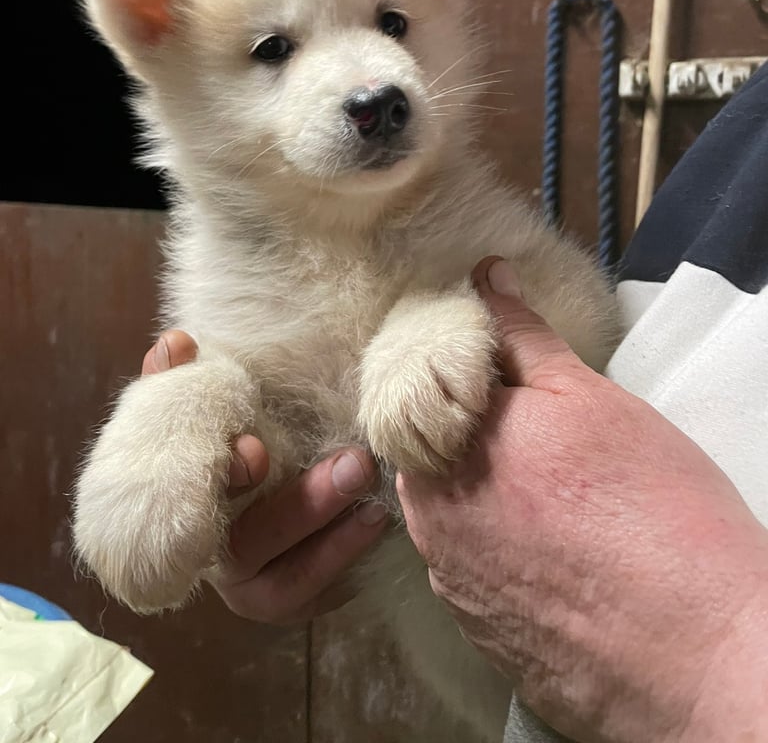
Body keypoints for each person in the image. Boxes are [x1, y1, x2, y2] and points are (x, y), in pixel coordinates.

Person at [142, 63, 768, 741]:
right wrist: (247, 483)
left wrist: (715, 663)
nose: (368, 79)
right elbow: (621, 345)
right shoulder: (745, 138)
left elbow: (574, 315)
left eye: (392, 19)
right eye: (273, 48)